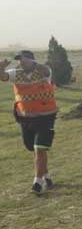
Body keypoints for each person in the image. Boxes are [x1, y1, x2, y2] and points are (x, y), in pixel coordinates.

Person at [0, 50, 58, 194]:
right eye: (19, 59)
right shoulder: (16, 73)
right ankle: (46, 176)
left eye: (24, 59)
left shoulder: (44, 71)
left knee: (39, 148)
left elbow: (45, 70)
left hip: (45, 117)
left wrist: (33, 64)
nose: (21, 62)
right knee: (32, 148)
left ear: (32, 60)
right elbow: (3, 76)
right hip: (25, 118)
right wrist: (1, 67)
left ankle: (37, 183)